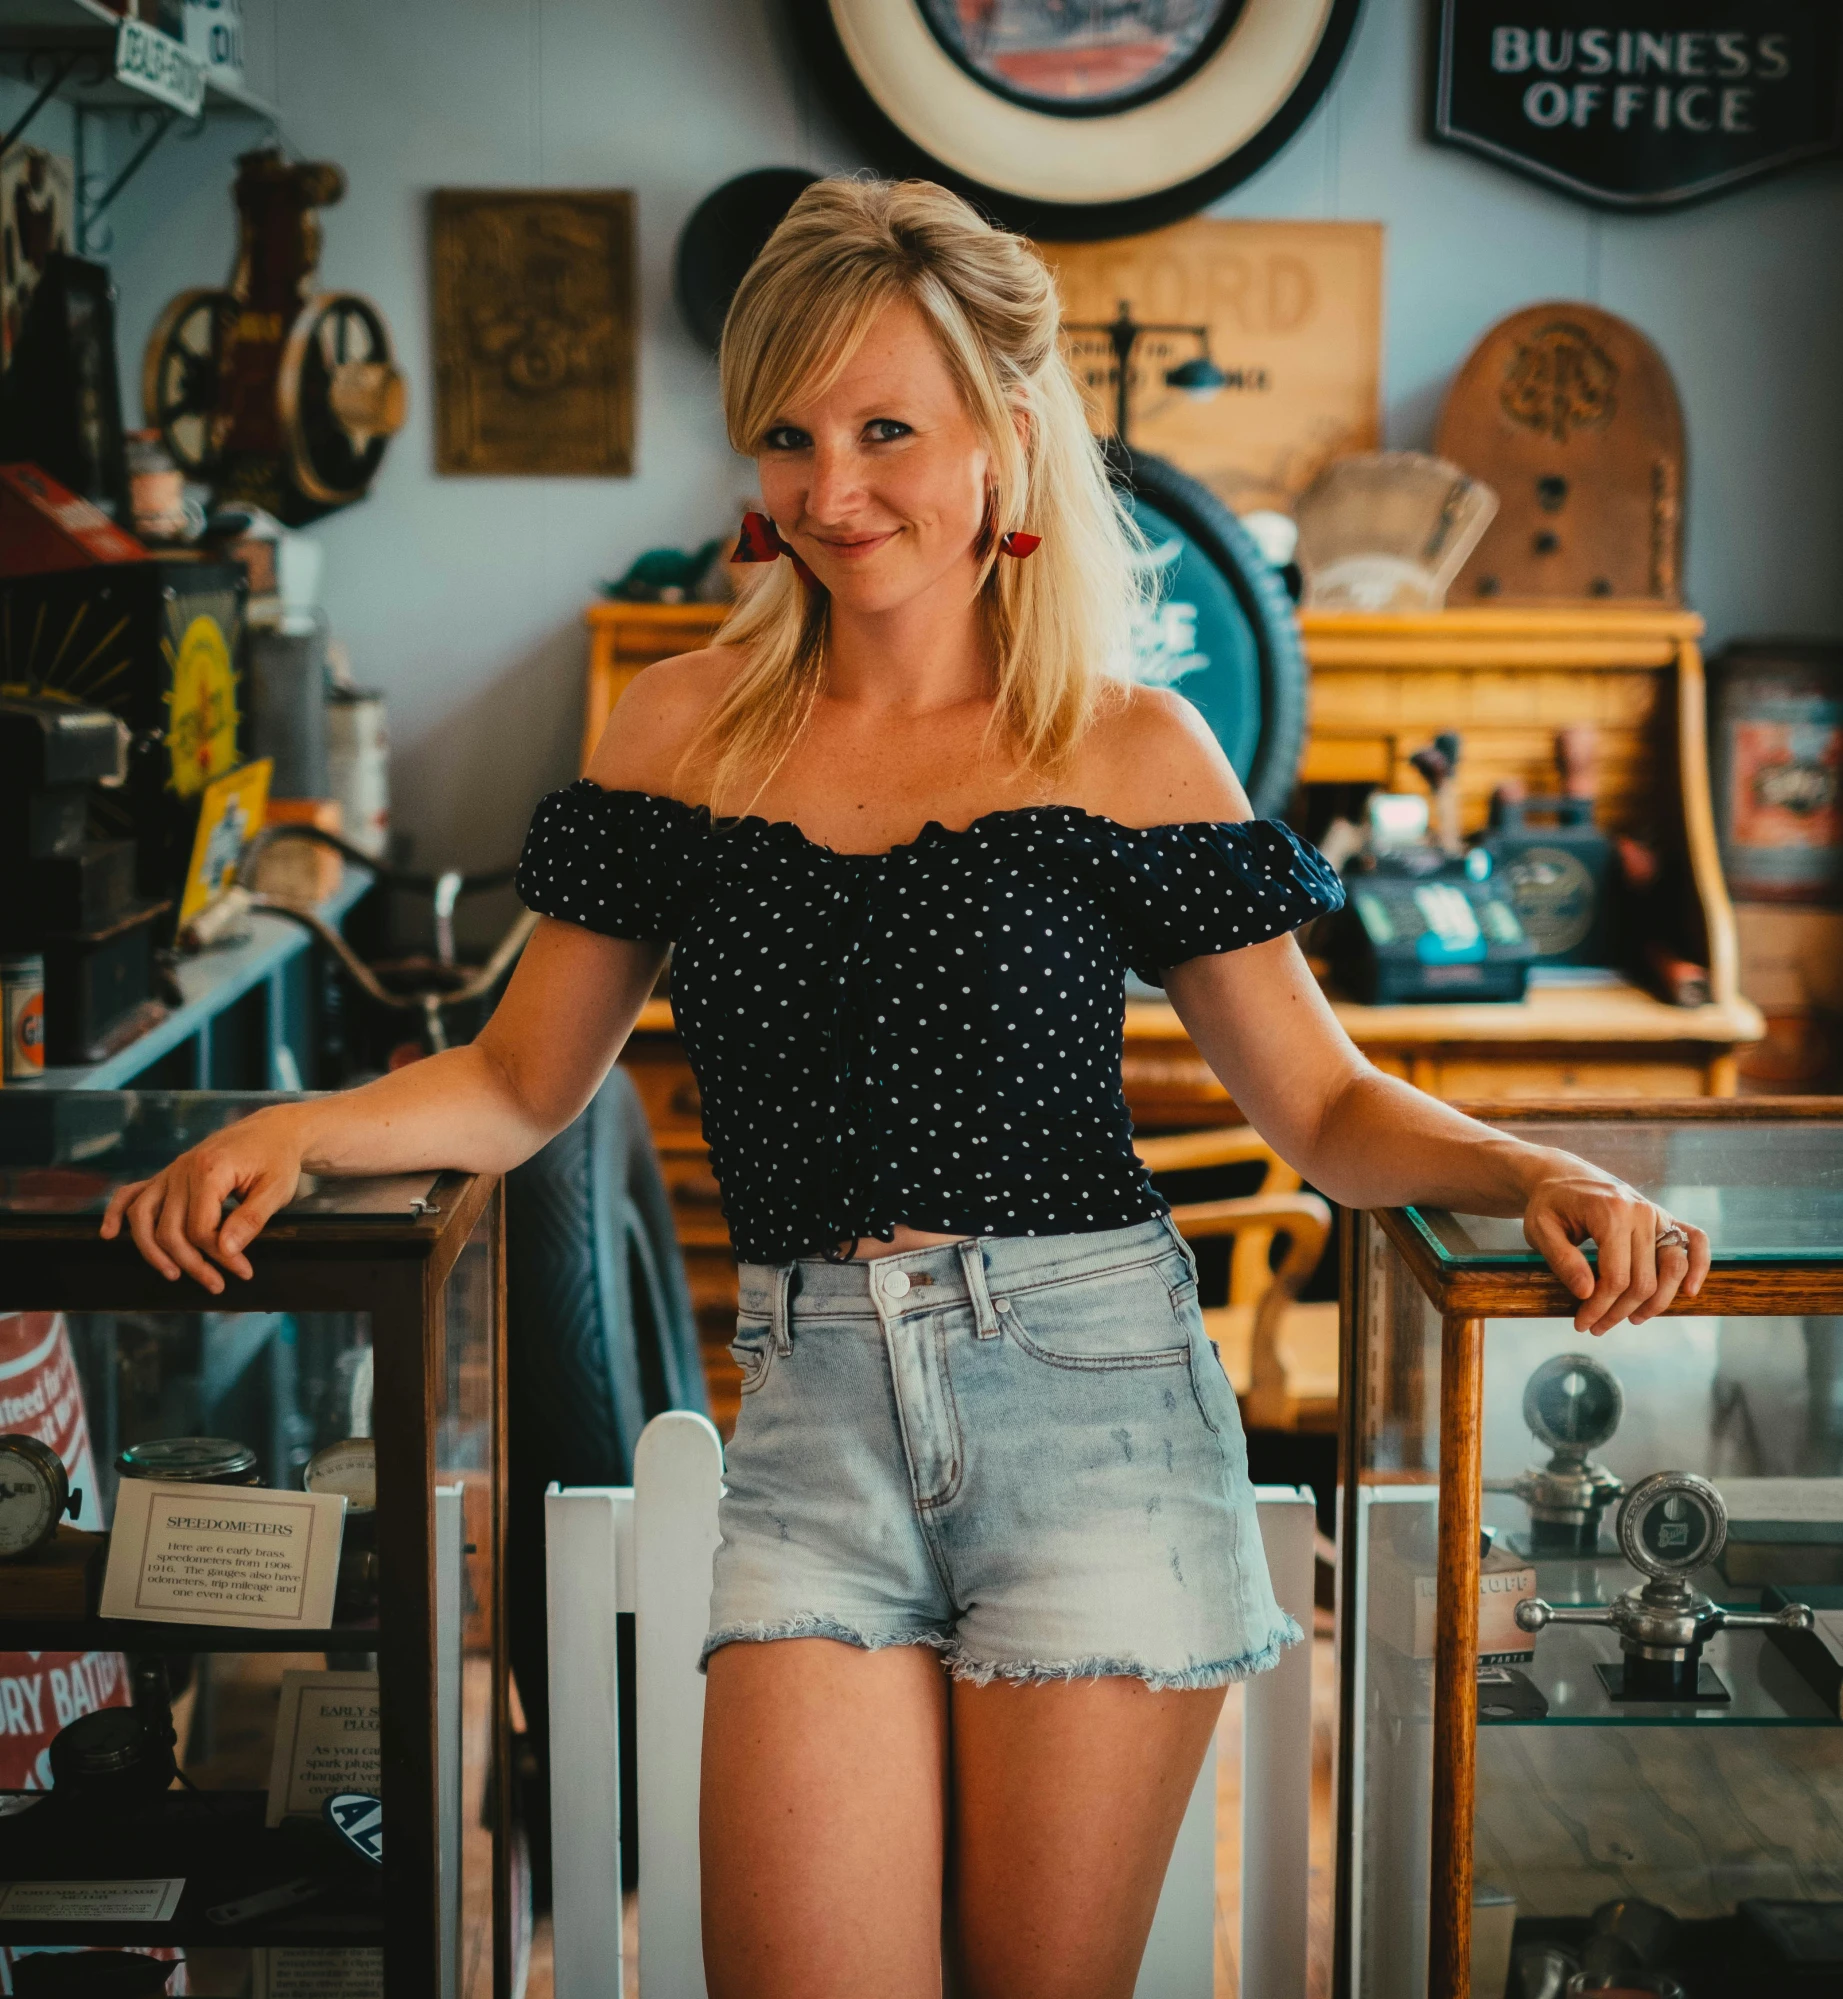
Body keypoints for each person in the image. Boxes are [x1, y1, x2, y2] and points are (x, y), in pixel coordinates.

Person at [102, 179, 1710, 1999]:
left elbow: (1325, 1109)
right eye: (785, 436)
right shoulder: (677, 728)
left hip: (1094, 1417)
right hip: (813, 1421)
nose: (830, 487)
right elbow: (517, 1080)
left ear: (1002, 442)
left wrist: (1537, 1171)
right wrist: (286, 1128)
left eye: (885, 429)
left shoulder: (1121, 742)